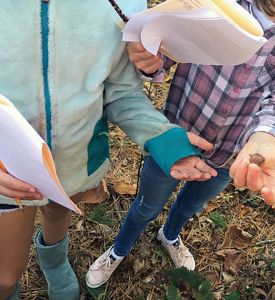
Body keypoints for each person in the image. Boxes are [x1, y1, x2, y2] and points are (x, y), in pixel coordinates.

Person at [86, 0, 275, 288]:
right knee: (146, 205)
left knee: (190, 205)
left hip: (231, 154)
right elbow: (167, 51)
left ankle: (169, 234)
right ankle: (119, 250)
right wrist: (151, 59)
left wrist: (266, 141)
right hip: (175, 141)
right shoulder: (217, 3)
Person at [0, 1, 218, 299]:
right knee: (4, 276)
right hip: (6, 171)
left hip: (76, 160)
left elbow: (121, 91)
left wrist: (161, 136)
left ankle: (53, 256)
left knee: (58, 212)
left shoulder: (120, 4)